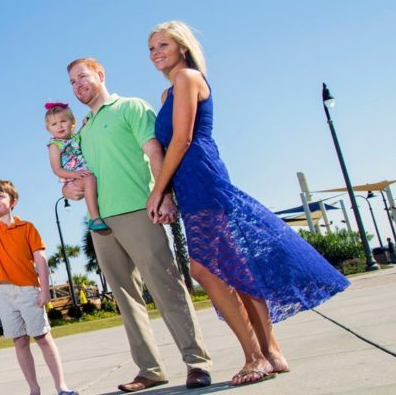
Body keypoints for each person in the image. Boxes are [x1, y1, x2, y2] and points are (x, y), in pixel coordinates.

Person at [146, 21, 350, 386]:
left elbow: (182, 140)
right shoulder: (166, 95)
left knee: (206, 269)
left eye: (163, 45)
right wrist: (168, 189)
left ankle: (256, 356)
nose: (156, 52)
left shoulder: (188, 79)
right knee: (232, 267)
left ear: (182, 48)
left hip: (202, 177)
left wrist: (157, 191)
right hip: (188, 184)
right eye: (151, 48)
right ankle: (271, 353)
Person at [64, 58, 212, 392]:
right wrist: (69, 188)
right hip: (101, 222)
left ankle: (196, 362)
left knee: (166, 287)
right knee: (125, 299)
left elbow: (154, 152)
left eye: (82, 77)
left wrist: (163, 195)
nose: (77, 85)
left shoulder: (130, 107)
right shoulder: (82, 129)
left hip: (139, 210)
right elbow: (78, 176)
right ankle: (149, 370)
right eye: (72, 82)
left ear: (101, 75)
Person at [0, 181, 78, 395]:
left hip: (28, 290)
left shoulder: (27, 228)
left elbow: (41, 259)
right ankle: (34, 390)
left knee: (43, 338)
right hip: (2, 292)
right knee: (19, 341)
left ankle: (61, 386)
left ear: (13, 202)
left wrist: (44, 290)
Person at [44, 102, 108, 232]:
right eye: (54, 124)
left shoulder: (75, 137)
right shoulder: (55, 145)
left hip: (82, 173)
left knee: (90, 179)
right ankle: (94, 218)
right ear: (49, 129)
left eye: (63, 121)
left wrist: (85, 123)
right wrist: (75, 175)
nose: (59, 126)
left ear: (72, 122)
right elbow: (57, 170)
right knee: (89, 179)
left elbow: (81, 133)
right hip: (72, 178)